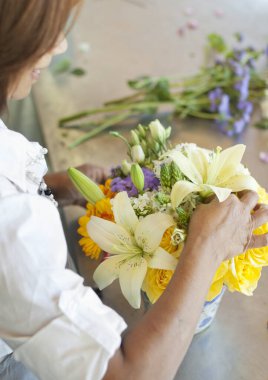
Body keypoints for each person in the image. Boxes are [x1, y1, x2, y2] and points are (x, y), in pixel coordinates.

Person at [0, 1, 268, 379]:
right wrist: (205, 248)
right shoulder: (11, 223)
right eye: (51, 29)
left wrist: (45, 188)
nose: (60, 46)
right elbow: (129, 374)